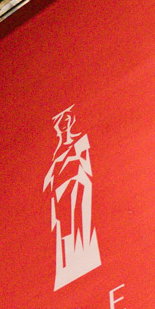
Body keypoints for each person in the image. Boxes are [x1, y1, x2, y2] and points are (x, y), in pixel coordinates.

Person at [45, 106, 101, 289]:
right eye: (59, 123)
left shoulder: (80, 141)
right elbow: (48, 182)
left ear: (70, 122)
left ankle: (82, 260)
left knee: (78, 224)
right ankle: (67, 267)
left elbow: (87, 166)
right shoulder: (56, 152)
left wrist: (69, 162)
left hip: (76, 189)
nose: (62, 125)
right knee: (64, 231)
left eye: (65, 120)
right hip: (61, 194)